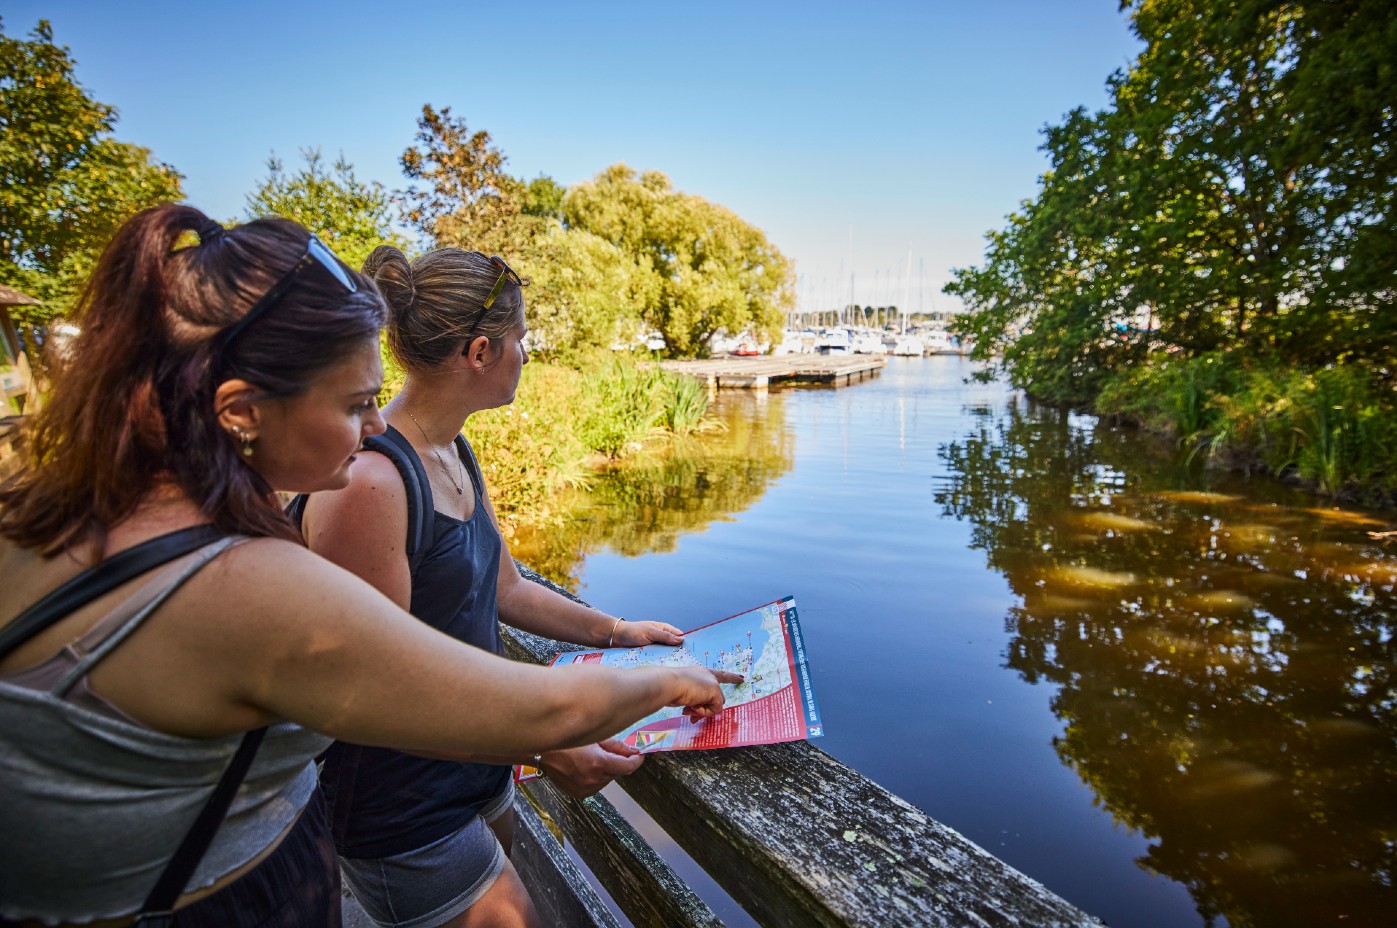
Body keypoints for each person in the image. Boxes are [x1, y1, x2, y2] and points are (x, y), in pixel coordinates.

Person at [0, 205, 737, 928]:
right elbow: (524, 710)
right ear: (240, 410)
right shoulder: (243, 582)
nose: (377, 426)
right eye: (356, 403)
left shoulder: (57, 513)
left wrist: (613, 633)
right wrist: (671, 679)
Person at [297, 245, 686, 928]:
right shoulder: (372, 483)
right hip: (400, 806)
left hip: (479, 767)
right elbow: (371, 688)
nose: (528, 354)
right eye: (521, 339)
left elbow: (506, 587)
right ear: (479, 352)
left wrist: (617, 632)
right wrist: (543, 746)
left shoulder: (452, 448)